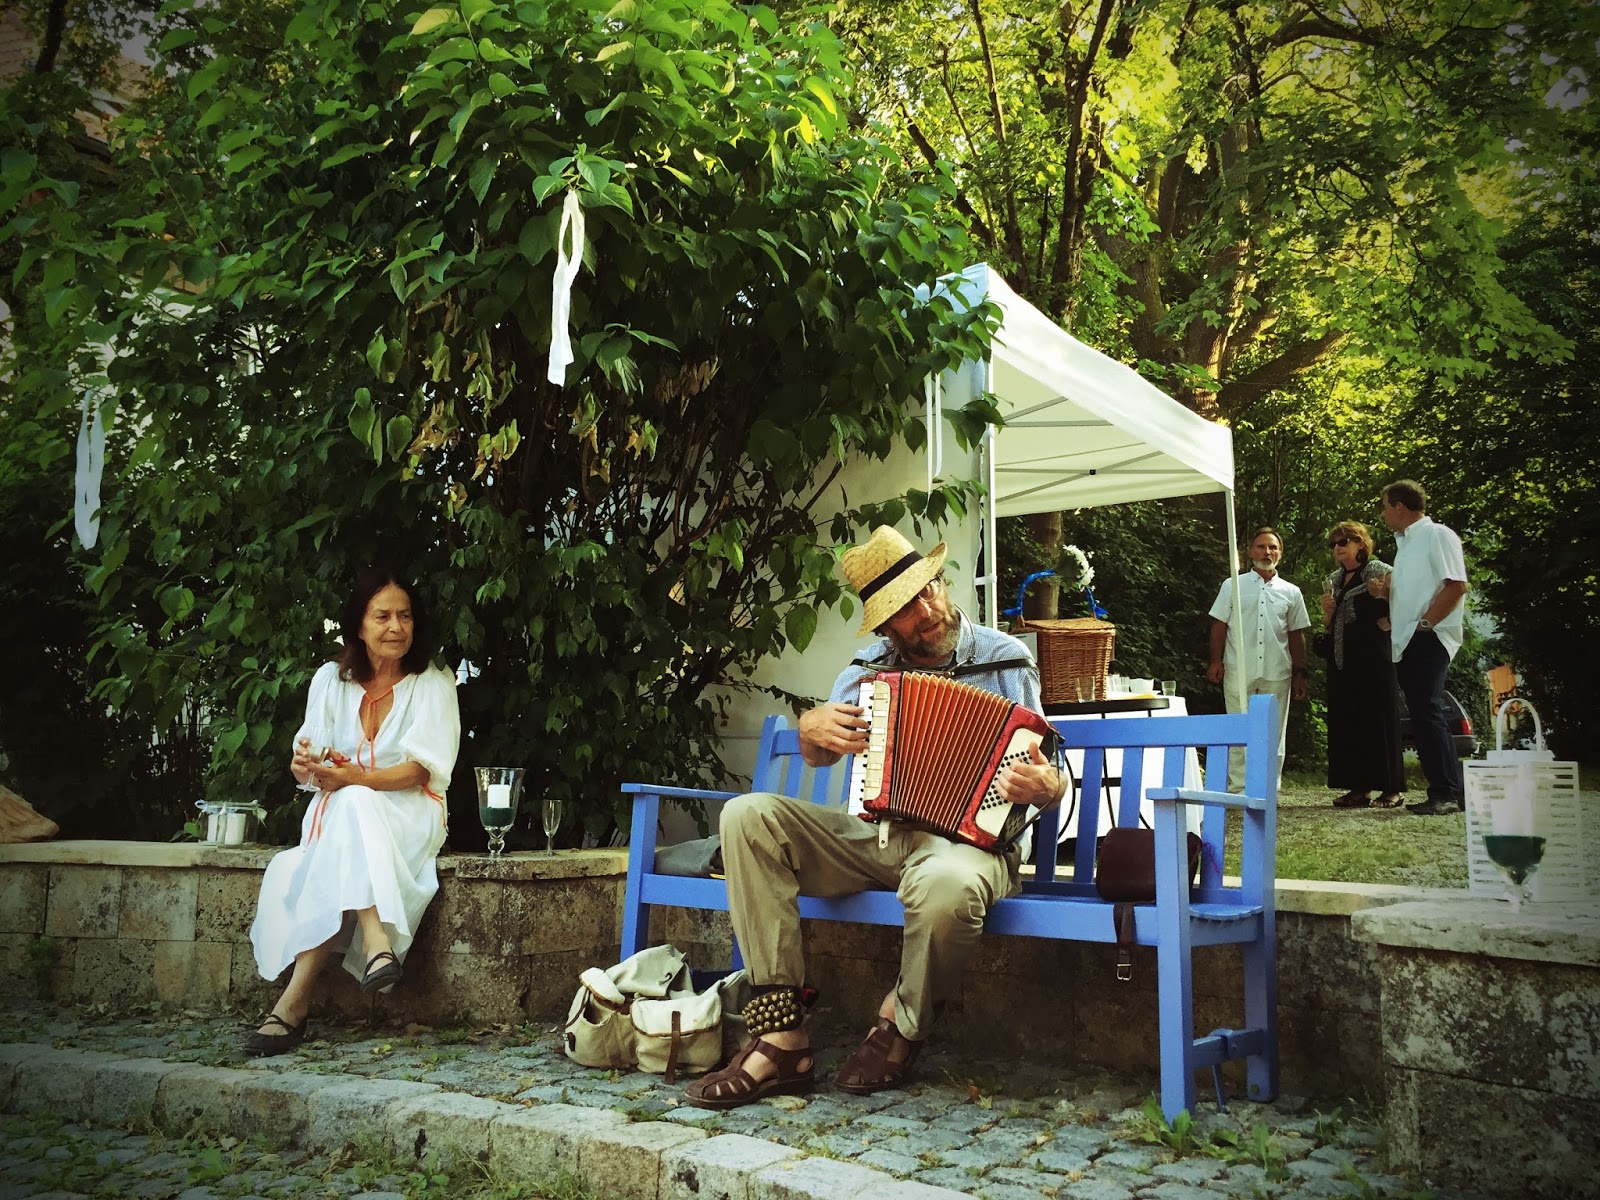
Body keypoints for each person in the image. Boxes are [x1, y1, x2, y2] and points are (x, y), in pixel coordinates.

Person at [684, 526, 1065, 1109]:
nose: (926, 611)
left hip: (969, 845)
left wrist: (1046, 784)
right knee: (746, 816)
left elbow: (1049, 770)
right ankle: (780, 1037)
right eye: (904, 609)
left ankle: (899, 1026)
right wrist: (809, 729)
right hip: (874, 838)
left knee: (949, 884)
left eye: (927, 591)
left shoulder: (1006, 658)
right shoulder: (866, 670)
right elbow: (820, 752)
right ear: (885, 625)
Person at [244, 570, 461, 1055]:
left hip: (409, 814)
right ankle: (375, 941)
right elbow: (310, 762)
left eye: (405, 616)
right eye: (382, 616)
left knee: (353, 801)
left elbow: (421, 771)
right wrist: (305, 766)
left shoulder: (432, 683)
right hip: (340, 814)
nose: (396, 627)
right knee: (350, 805)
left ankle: (292, 1004)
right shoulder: (330, 681)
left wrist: (353, 779)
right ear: (358, 626)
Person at [1368, 480, 1469, 816]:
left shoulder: (1437, 535)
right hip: (1409, 639)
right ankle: (1446, 791)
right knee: (1423, 713)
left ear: (1400, 507)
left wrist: (1426, 625)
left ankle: (1446, 793)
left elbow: (1456, 585)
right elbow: (1417, 592)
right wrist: (1386, 594)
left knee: (1427, 710)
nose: (1383, 514)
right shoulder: (1406, 544)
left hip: (1428, 636)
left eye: (1385, 506)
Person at [1205, 527, 1310, 790]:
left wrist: (1300, 672)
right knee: (1239, 727)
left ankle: (1268, 788)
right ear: (1251, 552)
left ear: (1280, 553)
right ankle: (1240, 787)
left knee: (1274, 731)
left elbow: (1296, 634)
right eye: (1261, 546)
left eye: (1273, 547)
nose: (1267, 552)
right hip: (1239, 667)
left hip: (1277, 670)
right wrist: (1215, 661)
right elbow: (1219, 625)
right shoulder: (1233, 585)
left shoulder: (1291, 592)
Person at [1318, 522, 1404, 808]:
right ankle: (1358, 788)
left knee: (1379, 719)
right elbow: (1330, 624)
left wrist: (1385, 606)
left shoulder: (1379, 571)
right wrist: (1327, 613)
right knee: (1349, 720)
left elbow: (1406, 602)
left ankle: (1391, 789)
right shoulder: (1334, 579)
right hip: (1343, 659)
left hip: (1375, 657)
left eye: (1344, 542)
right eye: (1333, 544)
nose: (1338, 548)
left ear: (1361, 543)